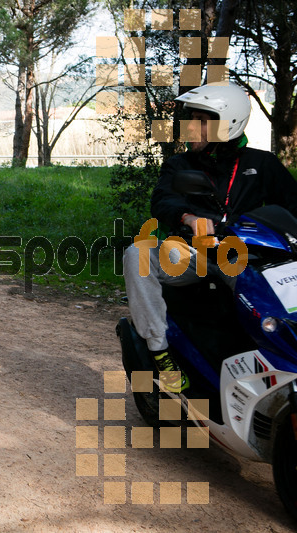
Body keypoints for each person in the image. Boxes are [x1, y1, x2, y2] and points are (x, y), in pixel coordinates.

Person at [123, 82, 297, 393]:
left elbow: (293, 207)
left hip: (246, 255)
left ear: (227, 123)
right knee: (138, 255)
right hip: (194, 254)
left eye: (200, 121)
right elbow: (163, 201)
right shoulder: (180, 165)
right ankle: (160, 350)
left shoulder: (261, 164)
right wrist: (188, 218)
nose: (189, 128)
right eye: (189, 119)